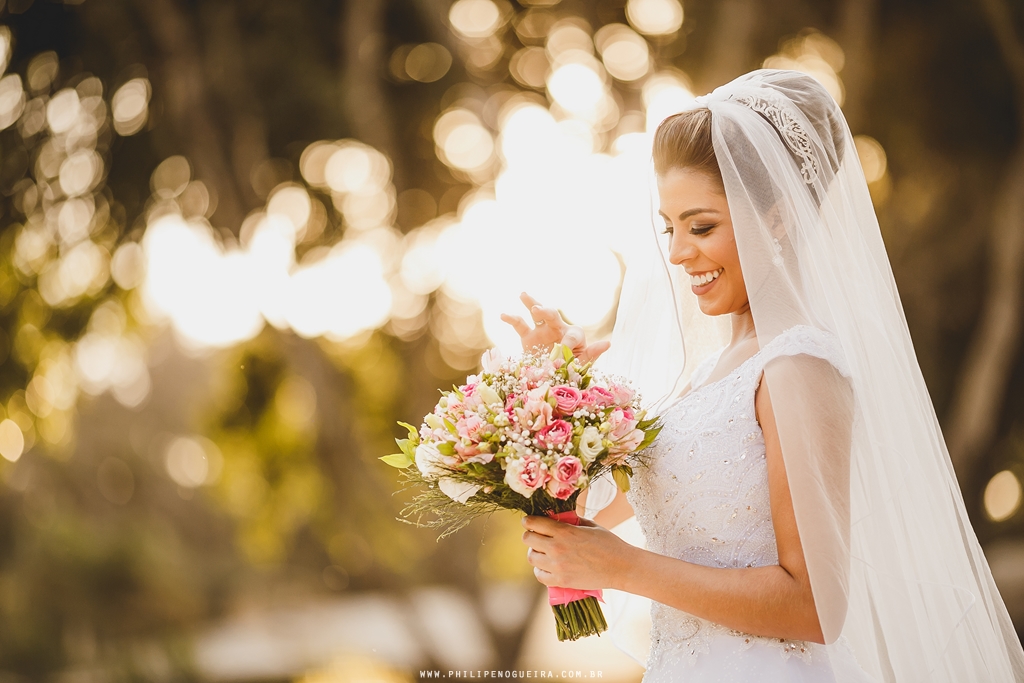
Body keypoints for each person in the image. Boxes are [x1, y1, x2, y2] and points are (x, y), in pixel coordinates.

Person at [503, 70, 1024, 682]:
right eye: (669, 228)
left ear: (775, 220)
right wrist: (551, 397)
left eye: (701, 227)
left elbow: (815, 606)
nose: (676, 253)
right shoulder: (705, 375)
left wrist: (623, 569)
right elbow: (583, 522)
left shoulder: (798, 366)